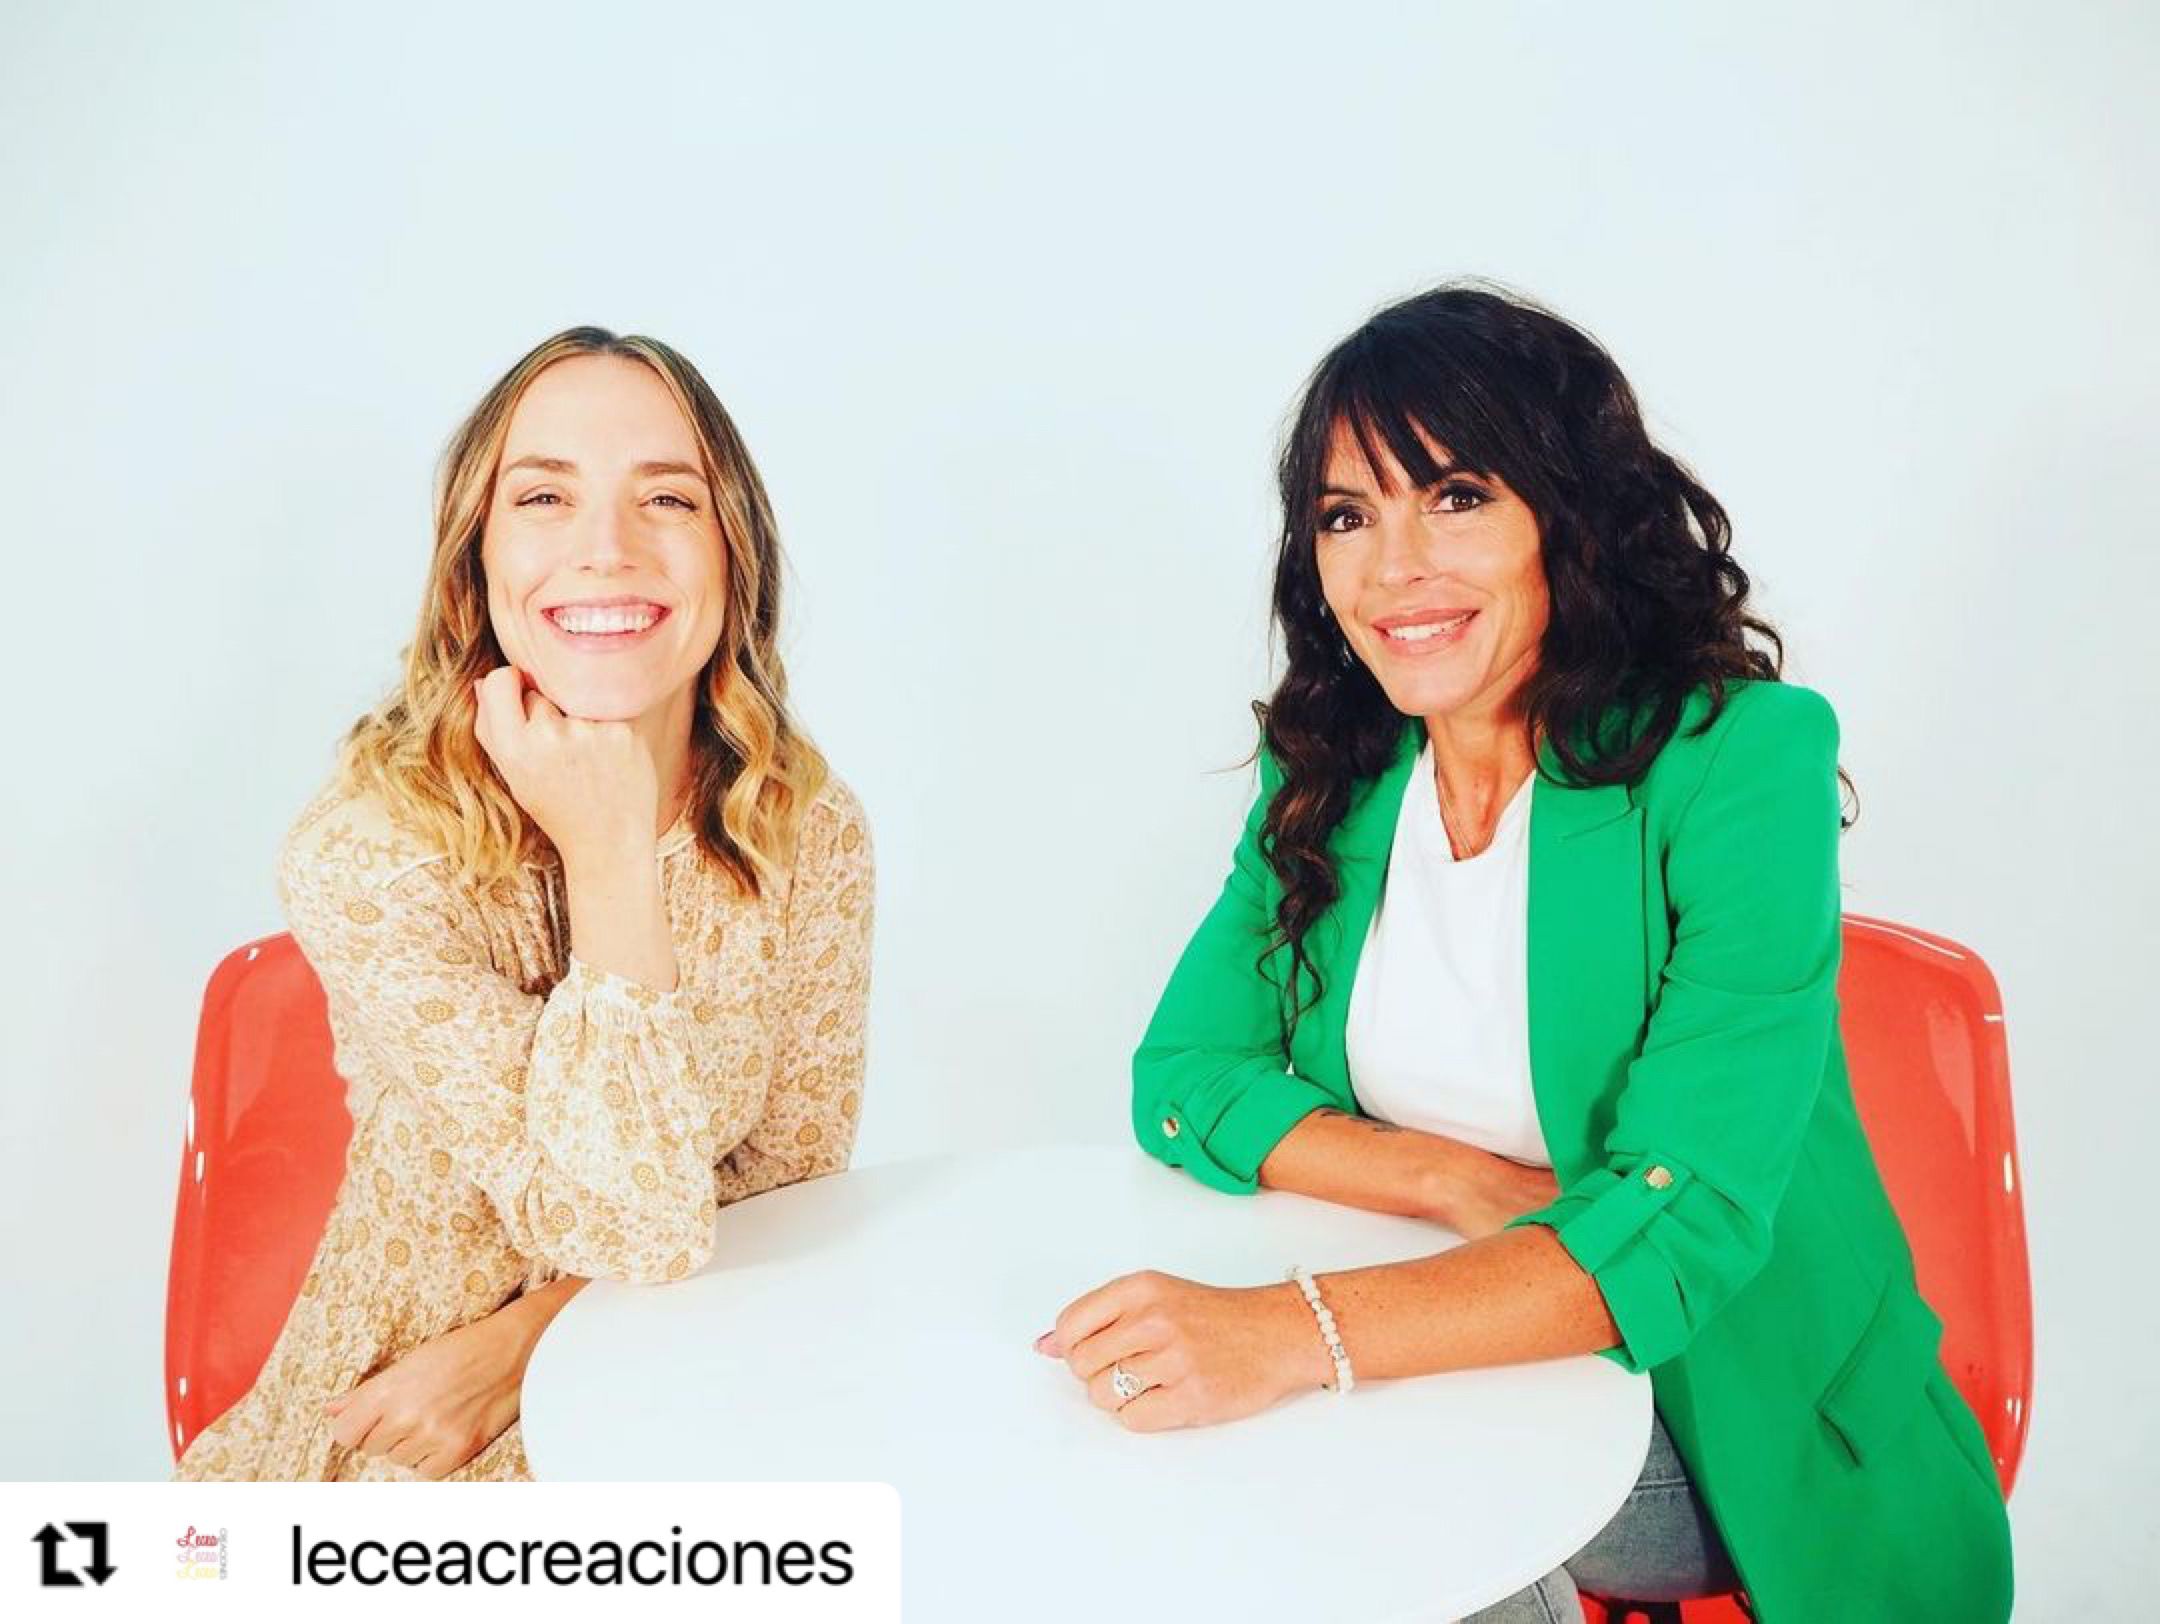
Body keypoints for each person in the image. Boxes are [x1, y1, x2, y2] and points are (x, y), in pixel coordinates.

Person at [1037, 285, 2011, 1620]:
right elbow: (1185, 1075)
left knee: (1363, 1466)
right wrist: (1451, 1178)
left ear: (1571, 517)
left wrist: (1290, 1331)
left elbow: (1683, 1222)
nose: (1393, 568)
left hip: (1717, 1404)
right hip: (1445, 1309)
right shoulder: (1334, 770)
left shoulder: (1738, 764)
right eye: (1346, 515)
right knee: (1200, 1456)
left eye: (1456, 497)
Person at [175, 328, 873, 1481]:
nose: (607, 550)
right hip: (413, 1437)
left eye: (668, 498)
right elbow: (629, 1225)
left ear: (733, 552)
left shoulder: (800, 819)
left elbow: (790, 1191)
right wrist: (610, 855)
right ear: (478, 553)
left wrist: (521, 1345)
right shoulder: (367, 851)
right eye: (545, 496)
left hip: (692, 1381)